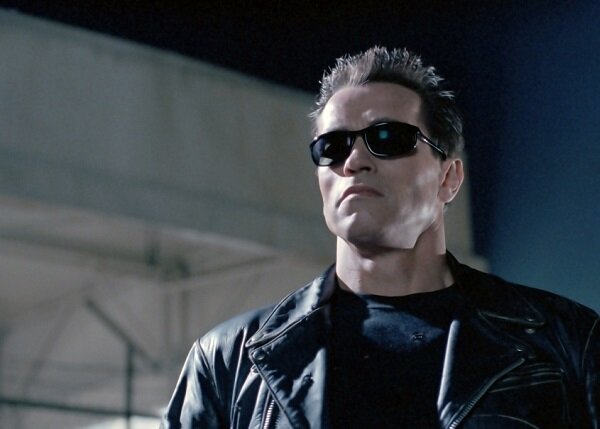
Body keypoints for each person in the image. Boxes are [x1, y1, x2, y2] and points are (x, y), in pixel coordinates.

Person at [161, 46, 599, 428]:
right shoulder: (226, 361)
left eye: (388, 137)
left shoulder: (568, 342)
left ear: (449, 178)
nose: (353, 161)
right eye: (332, 147)